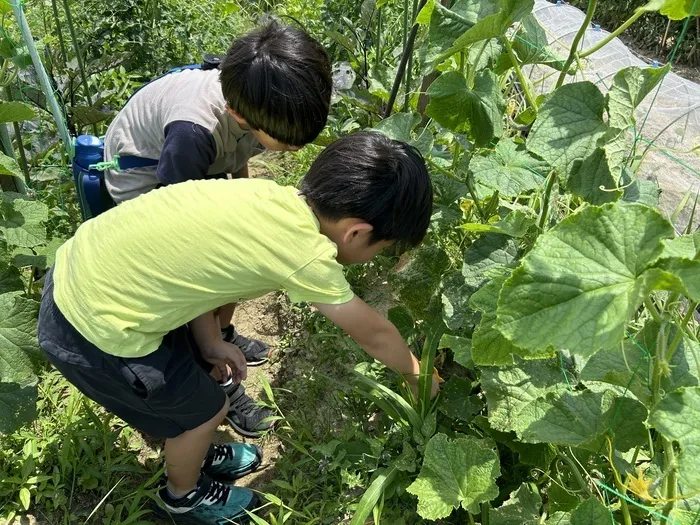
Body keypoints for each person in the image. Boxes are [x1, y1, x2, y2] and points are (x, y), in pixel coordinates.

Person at [37, 132, 438, 523]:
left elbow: (194, 267)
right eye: (382, 249)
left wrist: (210, 337)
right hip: (93, 326)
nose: (377, 258)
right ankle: (183, 496)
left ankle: (193, 450)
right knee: (205, 411)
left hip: (83, 270)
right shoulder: (305, 253)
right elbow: (374, 333)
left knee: (197, 378)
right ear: (356, 232)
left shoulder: (267, 198)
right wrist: (416, 374)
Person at [100, 20, 333, 437]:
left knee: (239, 255)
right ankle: (215, 377)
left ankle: (222, 333)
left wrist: (239, 198)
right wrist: (203, 326)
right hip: (146, 184)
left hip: (193, 173)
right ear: (239, 113)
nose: (295, 149)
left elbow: (237, 150)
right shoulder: (193, 133)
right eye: (285, 141)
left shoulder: (254, 97)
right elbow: (181, 244)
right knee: (210, 274)